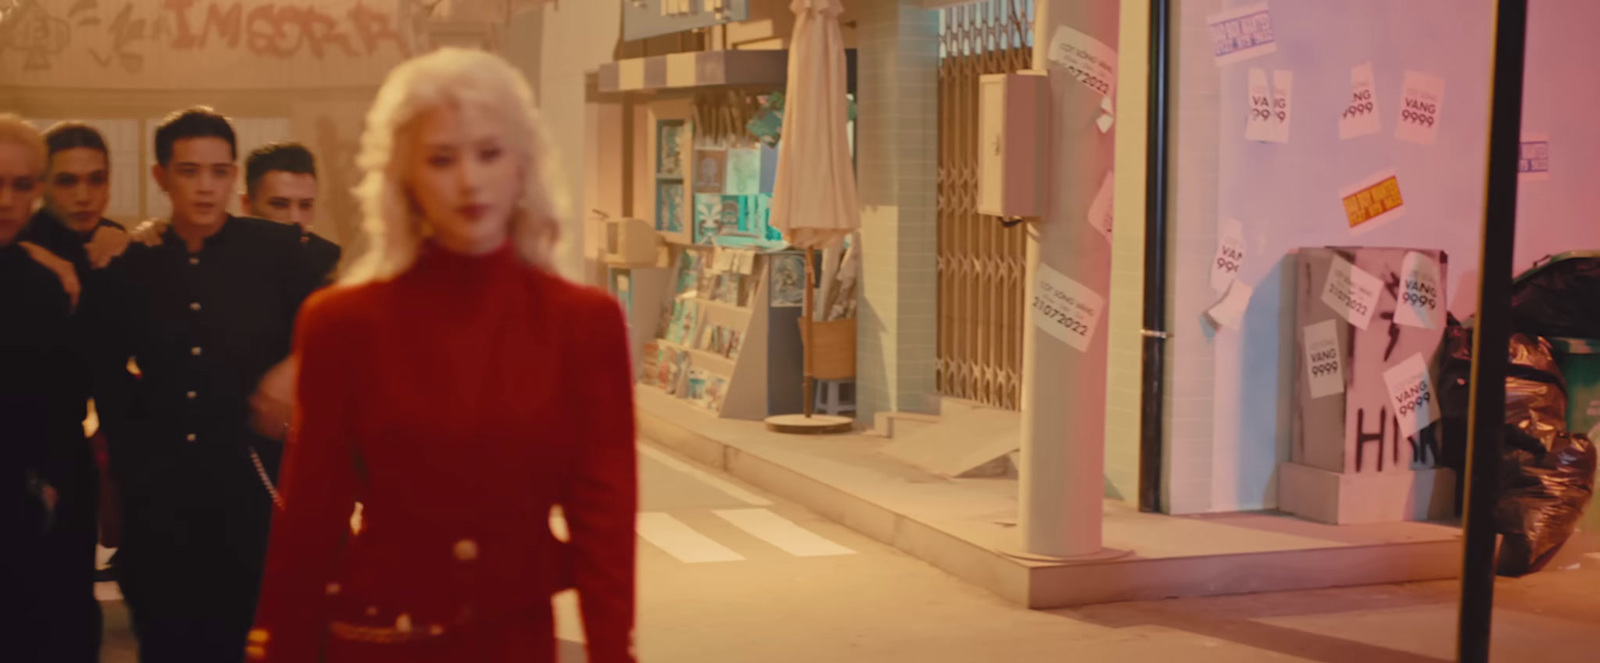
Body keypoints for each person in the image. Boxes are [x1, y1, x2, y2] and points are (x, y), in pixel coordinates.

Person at [249, 48, 638, 663]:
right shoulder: (342, 324)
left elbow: (606, 521)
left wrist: (612, 651)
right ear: (404, 177)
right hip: (379, 638)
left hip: (516, 641)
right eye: (440, 158)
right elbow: (310, 525)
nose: (468, 180)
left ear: (522, 167)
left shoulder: (583, 323)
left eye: (489, 153)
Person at [81, 107, 332, 662]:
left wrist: (296, 366)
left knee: (257, 636)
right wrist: (134, 456)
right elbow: (104, 368)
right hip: (161, 502)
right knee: (169, 637)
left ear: (233, 176)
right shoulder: (134, 262)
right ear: (160, 177)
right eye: (190, 171)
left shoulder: (278, 249)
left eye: (219, 171)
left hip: (253, 487)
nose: (205, 187)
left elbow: (352, 301)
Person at [13, 121, 138, 662]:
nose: (84, 195)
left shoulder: (119, 247)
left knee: (69, 613)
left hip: (73, 457)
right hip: (19, 456)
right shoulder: (20, 246)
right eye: (67, 181)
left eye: (97, 179)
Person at [0, 114, 81, 662]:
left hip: (20, 521)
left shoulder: (44, 284)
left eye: (22, 185)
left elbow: (61, 403)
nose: (6, 199)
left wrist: (46, 487)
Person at [242, 142, 341, 281]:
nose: (296, 219)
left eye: (305, 205)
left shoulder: (334, 265)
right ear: (246, 204)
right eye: (280, 205)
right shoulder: (222, 263)